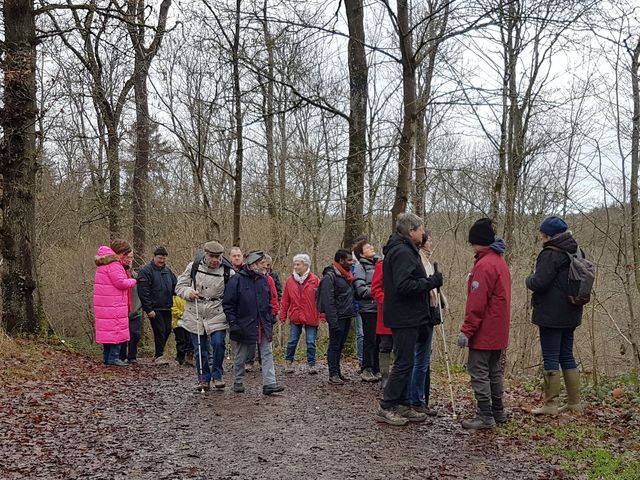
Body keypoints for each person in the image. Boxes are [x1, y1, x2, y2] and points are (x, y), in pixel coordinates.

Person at [376, 213, 442, 426]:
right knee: (404, 363)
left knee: (408, 361)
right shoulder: (402, 252)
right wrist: (430, 282)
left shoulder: (403, 250)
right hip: (403, 315)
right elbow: (404, 286)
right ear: (411, 231)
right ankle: (387, 405)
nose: (424, 233)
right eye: (421, 229)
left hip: (408, 315)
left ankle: (403, 404)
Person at [527, 216, 584, 415]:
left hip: (551, 314)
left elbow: (539, 282)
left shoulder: (550, 253)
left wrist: (529, 279)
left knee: (551, 356)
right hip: (572, 311)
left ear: (547, 234)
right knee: (567, 354)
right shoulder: (576, 251)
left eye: (542, 232)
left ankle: (551, 404)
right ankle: (574, 403)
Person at [457, 218, 511, 429]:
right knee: (494, 371)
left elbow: (477, 303)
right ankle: (498, 411)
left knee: (479, 371)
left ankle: (485, 415)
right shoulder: (499, 261)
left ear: (477, 242)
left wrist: (467, 331)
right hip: (498, 329)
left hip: (485, 330)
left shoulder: (484, 265)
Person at [223, 250, 284, 395]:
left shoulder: (264, 280)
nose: (265, 267)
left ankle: (269, 383)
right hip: (244, 324)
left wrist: (270, 316)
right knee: (241, 355)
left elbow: (270, 300)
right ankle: (238, 381)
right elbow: (228, 304)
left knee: (267, 353)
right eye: (261, 263)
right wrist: (233, 323)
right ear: (252, 264)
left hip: (263, 323)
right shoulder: (236, 280)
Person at [175, 241, 233, 391]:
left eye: (217, 256)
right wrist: (188, 292)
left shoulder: (228, 271)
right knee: (200, 349)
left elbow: (235, 293)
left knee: (219, 343)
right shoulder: (193, 267)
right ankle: (203, 378)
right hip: (196, 312)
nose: (214, 260)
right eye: (211, 256)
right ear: (205, 255)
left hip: (217, 312)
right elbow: (179, 287)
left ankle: (218, 375)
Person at [409, 231, 448, 415]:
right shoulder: (419, 260)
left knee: (423, 359)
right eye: (429, 239)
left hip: (428, 311)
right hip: (423, 313)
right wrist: (434, 283)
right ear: (423, 242)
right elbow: (425, 284)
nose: (431, 242)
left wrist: (441, 298)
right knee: (421, 359)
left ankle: (419, 398)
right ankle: (416, 399)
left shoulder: (423, 258)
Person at [93, 239, 137, 367]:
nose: (128, 259)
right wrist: (133, 281)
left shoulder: (104, 263)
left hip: (105, 303)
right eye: (127, 256)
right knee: (115, 331)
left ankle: (107, 357)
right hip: (114, 304)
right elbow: (121, 283)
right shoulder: (114, 265)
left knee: (108, 333)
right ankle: (114, 358)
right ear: (122, 254)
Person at [318, 249, 356, 385]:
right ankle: (333, 373)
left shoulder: (346, 276)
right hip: (337, 317)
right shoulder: (330, 277)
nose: (351, 263)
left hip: (346, 316)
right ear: (341, 261)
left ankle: (338, 372)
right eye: (349, 260)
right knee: (334, 345)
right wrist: (333, 321)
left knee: (340, 345)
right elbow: (328, 301)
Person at [280, 254, 321, 374]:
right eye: (295, 264)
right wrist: (282, 315)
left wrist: (323, 315)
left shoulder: (315, 280)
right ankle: (288, 362)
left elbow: (321, 300)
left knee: (310, 342)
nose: (296, 266)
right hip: (295, 316)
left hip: (311, 316)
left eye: (298, 264)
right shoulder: (289, 280)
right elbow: (285, 300)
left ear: (305, 265)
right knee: (292, 340)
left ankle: (312, 365)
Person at [137, 246, 178, 365]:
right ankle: (160, 355)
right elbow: (143, 292)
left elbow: (175, 286)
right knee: (159, 331)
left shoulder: (168, 271)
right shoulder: (146, 271)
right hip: (154, 308)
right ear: (154, 257)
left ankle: (158, 353)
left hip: (167, 306)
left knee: (167, 330)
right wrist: (148, 309)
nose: (162, 261)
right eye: (160, 258)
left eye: (164, 259)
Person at [353, 239, 380, 382]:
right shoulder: (359, 267)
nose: (372, 247)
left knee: (379, 339)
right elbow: (361, 289)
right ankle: (367, 367)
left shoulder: (379, 264)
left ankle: (377, 368)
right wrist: (377, 292)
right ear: (361, 254)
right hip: (368, 307)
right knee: (369, 338)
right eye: (368, 247)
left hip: (380, 306)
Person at [371, 259, 393, 388]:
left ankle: (397, 379)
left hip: (403, 314)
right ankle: (384, 375)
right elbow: (376, 289)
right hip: (385, 312)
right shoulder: (382, 265)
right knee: (385, 345)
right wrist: (387, 302)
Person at [119, 261, 142, 365]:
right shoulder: (118, 276)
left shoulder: (138, 277)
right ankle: (121, 356)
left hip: (135, 311)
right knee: (122, 336)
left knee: (135, 334)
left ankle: (132, 356)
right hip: (122, 312)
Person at [172, 295, 194, 366]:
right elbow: (173, 309)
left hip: (189, 322)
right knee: (181, 341)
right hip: (178, 323)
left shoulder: (189, 297)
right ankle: (180, 357)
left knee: (190, 340)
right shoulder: (174, 298)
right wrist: (181, 314)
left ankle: (189, 357)